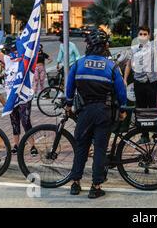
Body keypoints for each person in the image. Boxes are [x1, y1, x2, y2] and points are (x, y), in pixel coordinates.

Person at [65, 29, 127, 199]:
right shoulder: (111, 66)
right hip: (103, 112)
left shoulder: (78, 64)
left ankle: (75, 184)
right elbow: (121, 92)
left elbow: (69, 88)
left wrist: (68, 105)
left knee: (81, 147)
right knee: (100, 149)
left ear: (89, 46)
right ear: (104, 46)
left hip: (84, 112)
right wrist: (122, 110)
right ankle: (96, 186)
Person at [124, 26, 157, 143]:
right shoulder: (133, 49)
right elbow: (128, 65)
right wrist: (125, 79)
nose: (143, 36)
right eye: (141, 34)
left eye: (145, 34)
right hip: (139, 82)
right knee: (141, 109)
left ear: (149, 36)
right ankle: (144, 136)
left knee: (153, 108)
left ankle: (156, 135)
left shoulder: (154, 47)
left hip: (152, 82)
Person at [2, 43, 37, 155]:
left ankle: (32, 145)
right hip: (12, 97)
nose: (14, 53)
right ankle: (16, 144)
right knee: (14, 121)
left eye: (16, 51)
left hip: (24, 97)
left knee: (25, 121)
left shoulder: (25, 62)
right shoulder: (8, 61)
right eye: (12, 51)